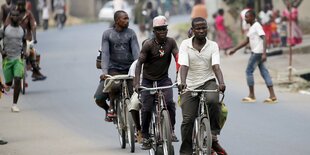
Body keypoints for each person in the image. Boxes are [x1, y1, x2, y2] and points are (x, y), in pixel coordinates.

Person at [178, 17, 227, 155]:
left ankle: (213, 135)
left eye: (203, 27)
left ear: (207, 29)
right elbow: (184, 65)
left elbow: (216, 66)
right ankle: (186, 151)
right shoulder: (185, 44)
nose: (201, 30)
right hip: (189, 84)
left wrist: (221, 82)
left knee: (213, 100)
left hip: (208, 80)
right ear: (192, 30)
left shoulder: (213, 45)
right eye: (198, 28)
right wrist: (182, 82)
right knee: (188, 120)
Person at [134, 15, 179, 150]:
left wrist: (179, 77)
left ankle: (170, 130)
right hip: (148, 81)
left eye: (164, 29)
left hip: (164, 79)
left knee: (170, 103)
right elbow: (139, 64)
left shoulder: (171, 42)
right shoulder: (148, 44)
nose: (162, 32)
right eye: (159, 29)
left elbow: (178, 59)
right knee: (146, 108)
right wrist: (137, 83)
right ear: (154, 31)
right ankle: (146, 136)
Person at [94, 10, 139, 121]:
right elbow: (105, 54)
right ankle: (110, 107)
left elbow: (136, 54)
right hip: (113, 70)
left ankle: (136, 127)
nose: (127, 20)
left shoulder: (131, 33)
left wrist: (138, 69)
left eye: (128, 18)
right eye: (125, 18)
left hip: (129, 70)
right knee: (100, 96)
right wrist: (105, 73)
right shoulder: (107, 34)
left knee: (136, 97)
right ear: (117, 20)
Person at [228, 10, 277, 103]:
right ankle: (272, 95)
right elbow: (246, 41)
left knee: (248, 71)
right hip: (258, 52)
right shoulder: (252, 27)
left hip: (257, 52)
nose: (245, 19)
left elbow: (264, 37)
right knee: (264, 72)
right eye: (245, 17)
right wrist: (235, 49)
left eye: (247, 17)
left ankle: (252, 95)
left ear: (253, 17)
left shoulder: (257, 26)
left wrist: (264, 53)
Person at [5, 0, 47, 82]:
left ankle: (35, 71)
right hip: (14, 39)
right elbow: (7, 25)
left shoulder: (28, 14)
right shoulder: (13, 14)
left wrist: (34, 38)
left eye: (22, 5)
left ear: (25, 5)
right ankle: (10, 76)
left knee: (33, 52)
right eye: (19, 5)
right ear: (17, 5)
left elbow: (33, 26)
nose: (20, 7)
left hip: (27, 39)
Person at [1, 8, 26, 112]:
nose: (15, 17)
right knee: (9, 83)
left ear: (19, 17)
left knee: (17, 79)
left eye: (17, 15)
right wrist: (2, 51)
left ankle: (14, 104)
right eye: (13, 15)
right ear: (10, 17)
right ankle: (5, 86)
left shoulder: (22, 29)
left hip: (18, 59)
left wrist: (24, 51)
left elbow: (24, 42)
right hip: (7, 59)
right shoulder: (5, 28)